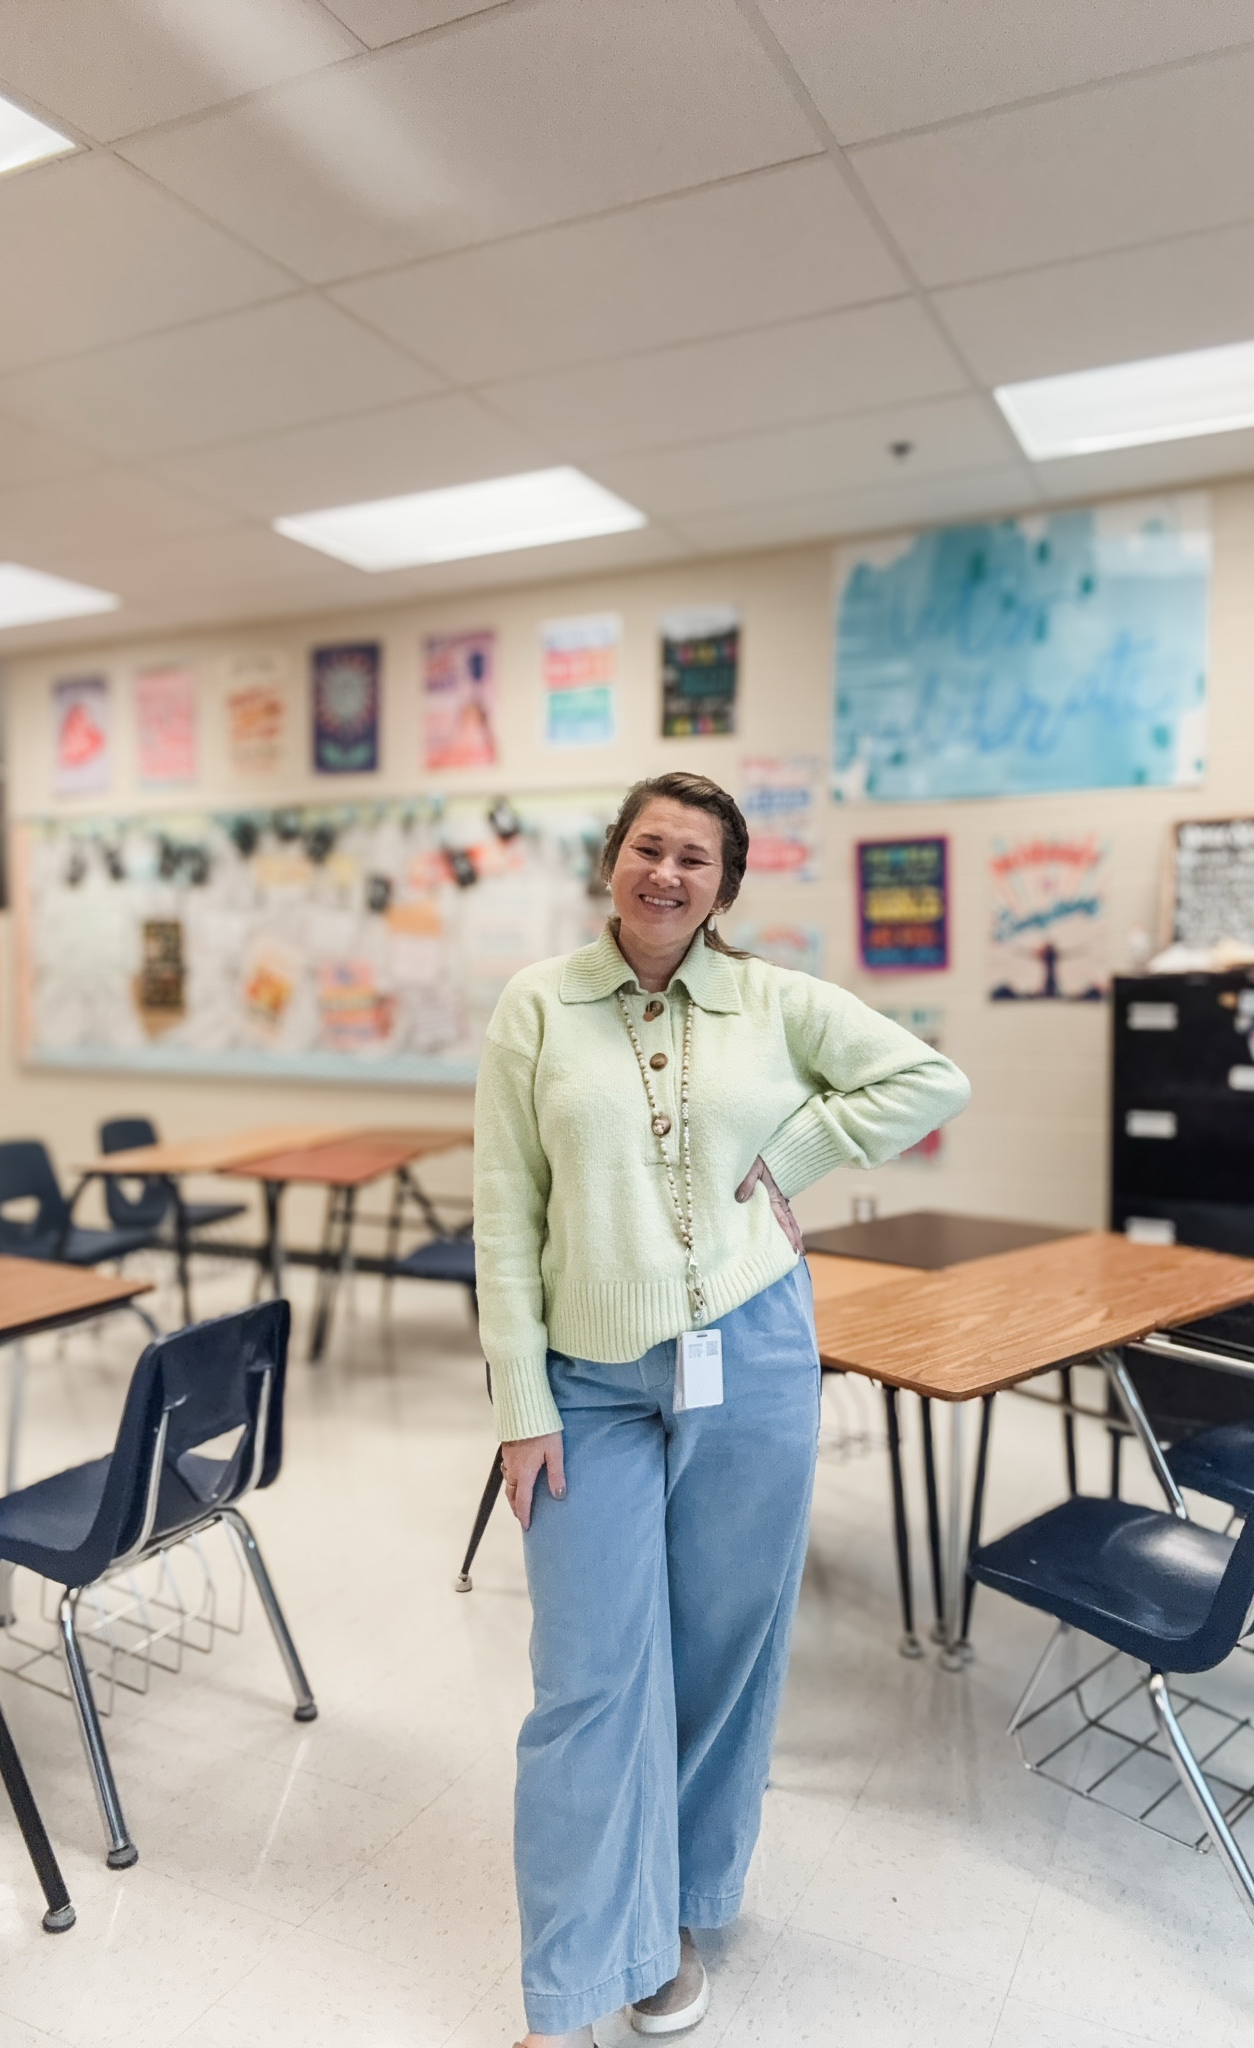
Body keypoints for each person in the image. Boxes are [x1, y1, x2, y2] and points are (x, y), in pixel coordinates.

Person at [474, 772, 970, 2047]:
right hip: (589, 1378)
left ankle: (679, 1907)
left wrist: (794, 1154)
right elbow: (501, 1219)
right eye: (651, 846)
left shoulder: (772, 998)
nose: (669, 873)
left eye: (698, 858)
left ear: (725, 887)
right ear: (612, 860)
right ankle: (575, 1979)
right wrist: (520, 1400)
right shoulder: (537, 1005)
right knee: (588, 1676)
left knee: (722, 1650)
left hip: (752, 1352)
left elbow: (929, 1078)